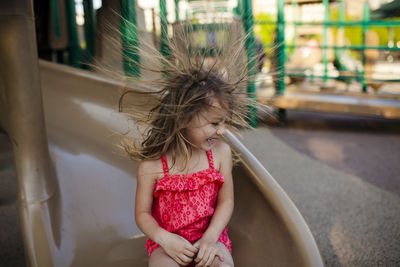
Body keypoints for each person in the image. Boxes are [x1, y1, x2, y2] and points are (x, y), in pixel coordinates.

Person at [117, 22, 254, 267]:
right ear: (182, 119)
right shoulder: (152, 166)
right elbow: (142, 214)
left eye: (223, 122)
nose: (222, 130)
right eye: (213, 123)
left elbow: (226, 201)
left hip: (211, 237)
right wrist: (164, 239)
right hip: (167, 243)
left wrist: (211, 239)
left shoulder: (220, 153)